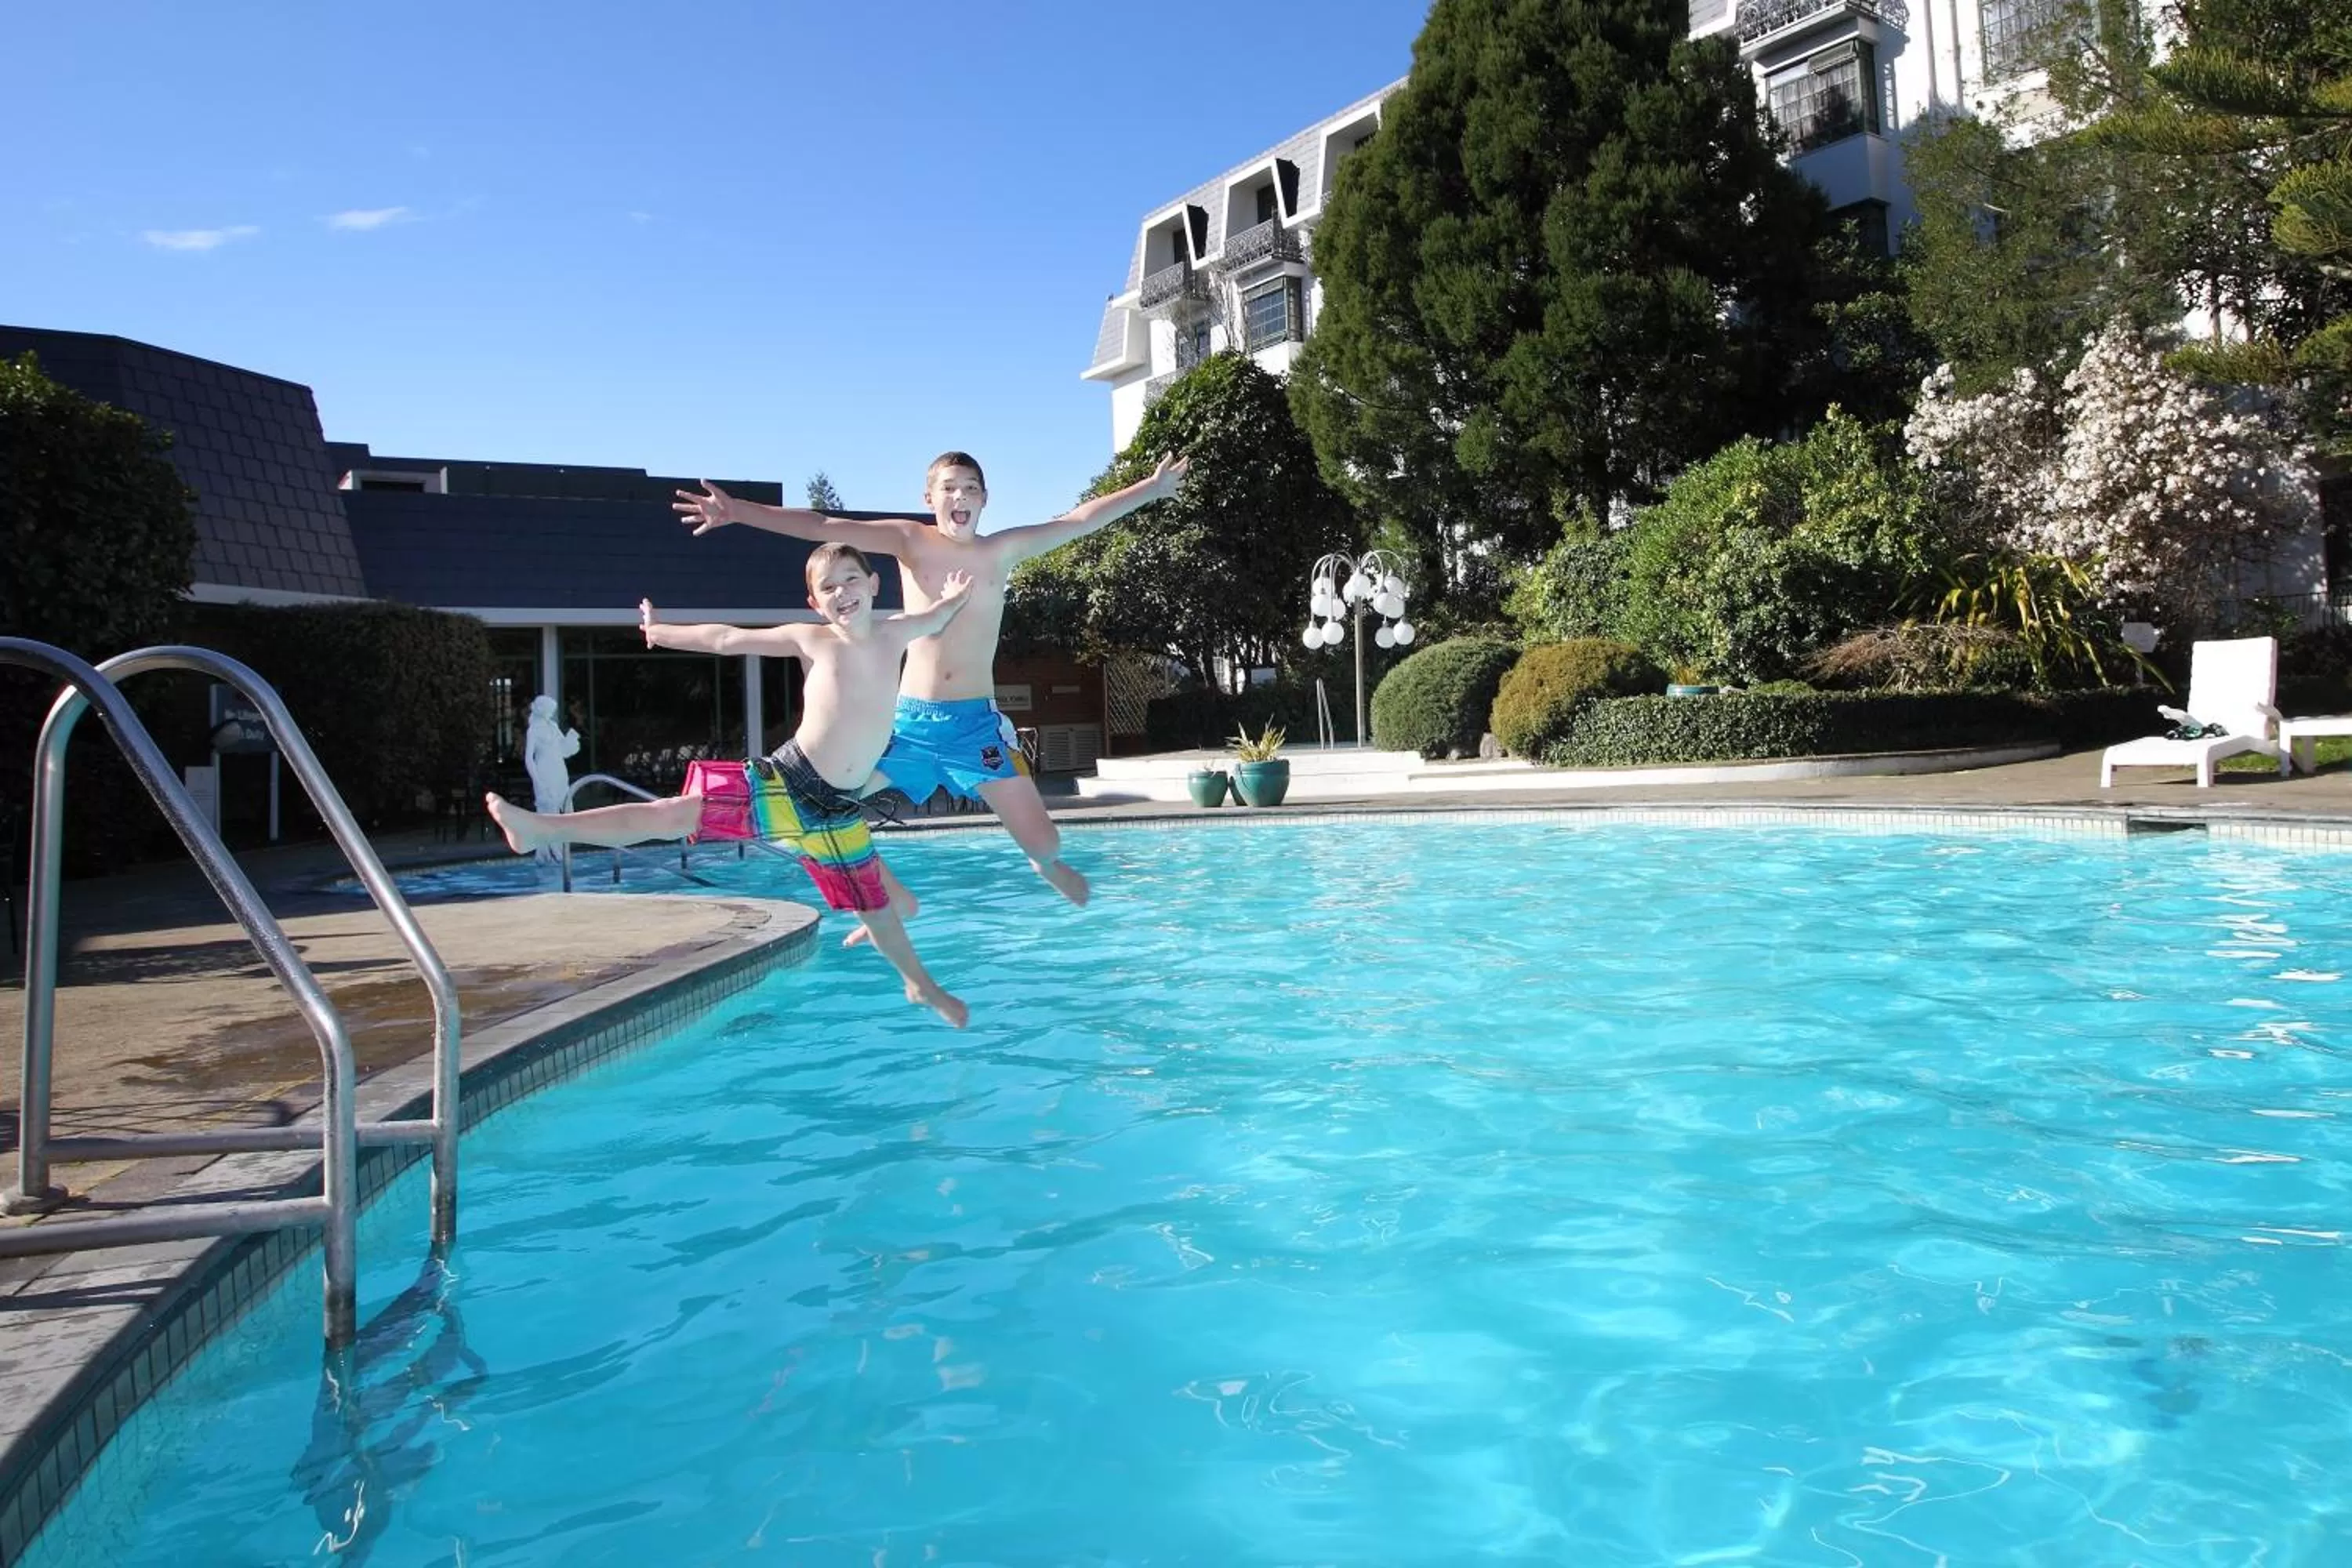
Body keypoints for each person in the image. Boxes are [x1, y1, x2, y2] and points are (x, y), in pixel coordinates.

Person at [673, 448, 1189, 906]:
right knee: (827, 801)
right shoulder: (908, 540)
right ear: (929, 497)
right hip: (910, 725)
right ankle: (854, 892)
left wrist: (1152, 488)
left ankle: (1046, 865)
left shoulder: (999, 551)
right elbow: (821, 525)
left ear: (985, 498)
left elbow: (1080, 520)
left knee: (1044, 842)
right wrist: (738, 512)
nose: (959, 497)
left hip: (975, 728)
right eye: (948, 488)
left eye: (969, 488)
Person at [485, 545, 975, 1027]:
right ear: (814, 603)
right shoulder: (814, 640)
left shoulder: (896, 633)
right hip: (787, 782)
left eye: (851, 580)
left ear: (873, 585)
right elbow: (727, 638)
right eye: (827, 588)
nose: (842, 592)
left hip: (838, 809)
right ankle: (541, 828)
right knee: (673, 815)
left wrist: (952, 599)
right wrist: (660, 631)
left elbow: (935, 617)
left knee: (885, 910)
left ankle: (920, 985)